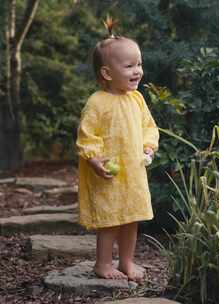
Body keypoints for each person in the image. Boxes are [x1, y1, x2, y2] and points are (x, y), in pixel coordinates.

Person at [75, 20, 159, 282]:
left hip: (133, 172)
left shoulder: (137, 99)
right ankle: (103, 264)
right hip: (110, 174)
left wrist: (148, 145)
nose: (138, 71)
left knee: (131, 218)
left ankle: (127, 262)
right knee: (110, 220)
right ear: (108, 73)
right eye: (130, 66)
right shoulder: (97, 103)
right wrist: (94, 159)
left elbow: (148, 126)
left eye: (139, 64)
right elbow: (88, 135)